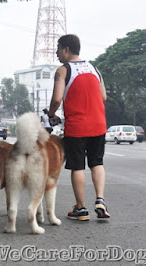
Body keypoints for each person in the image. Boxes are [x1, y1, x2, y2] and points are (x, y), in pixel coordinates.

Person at [48, 34, 110, 221]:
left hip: (77, 127)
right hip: (99, 124)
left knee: (78, 167)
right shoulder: (94, 68)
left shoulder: (63, 70)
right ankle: (100, 200)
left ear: (66, 49)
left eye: (58, 49)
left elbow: (57, 99)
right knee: (97, 163)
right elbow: (103, 97)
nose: (57, 54)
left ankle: (81, 209)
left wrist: (51, 114)